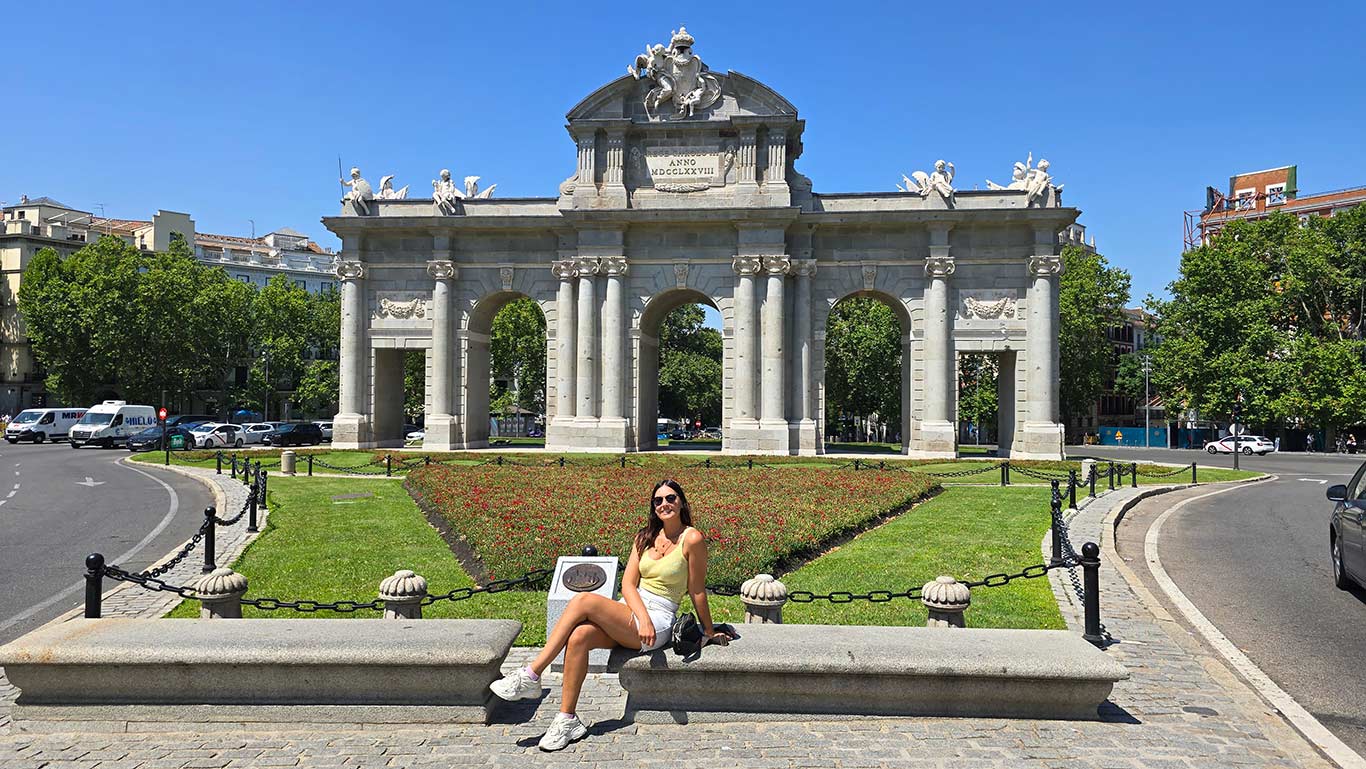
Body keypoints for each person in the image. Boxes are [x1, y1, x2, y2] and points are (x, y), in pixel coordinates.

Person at [488, 479, 735, 751]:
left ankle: (532, 674)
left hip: (660, 619)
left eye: (671, 498)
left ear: (682, 502)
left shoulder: (693, 538)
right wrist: (640, 615)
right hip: (632, 613)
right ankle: (567, 718)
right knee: (580, 636)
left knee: (583, 600)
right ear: (653, 508)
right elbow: (628, 585)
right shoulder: (644, 538)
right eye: (658, 500)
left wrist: (708, 632)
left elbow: (697, 590)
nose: (664, 504)